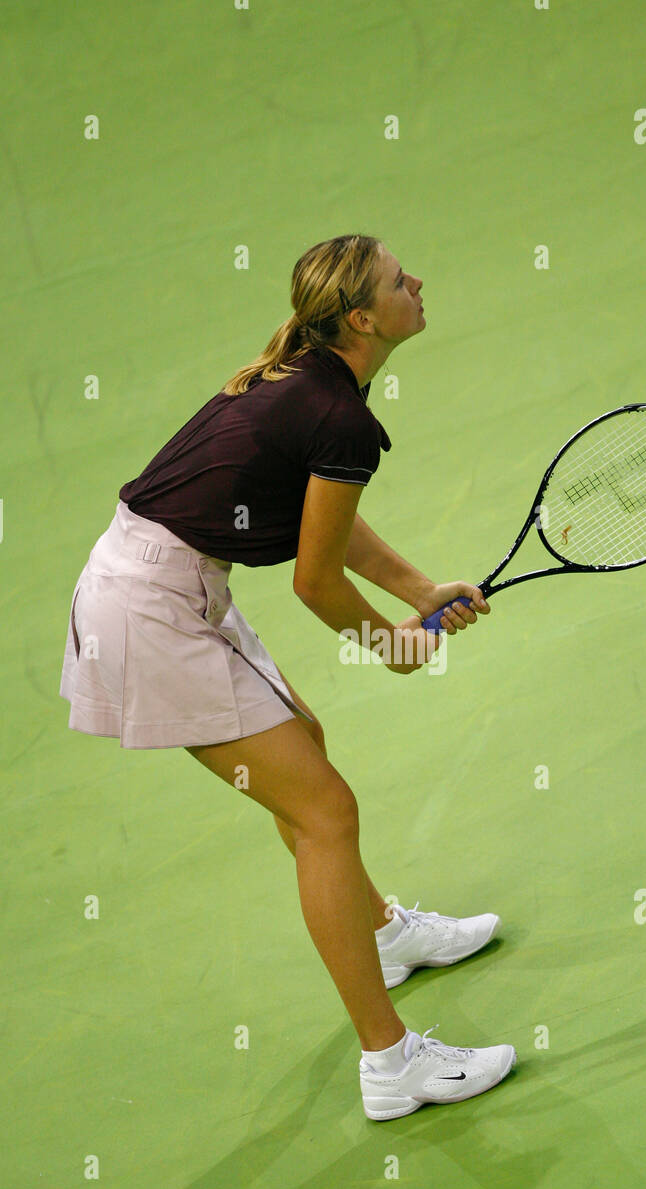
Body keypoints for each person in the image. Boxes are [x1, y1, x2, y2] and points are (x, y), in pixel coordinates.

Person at [59, 233, 517, 1120]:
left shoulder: (315, 383)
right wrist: (390, 643)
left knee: (302, 748)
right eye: (397, 280)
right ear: (361, 317)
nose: (416, 282)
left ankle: (380, 934)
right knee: (326, 811)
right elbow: (314, 580)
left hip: (161, 584)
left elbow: (323, 524)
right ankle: (392, 1066)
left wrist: (418, 590)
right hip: (151, 612)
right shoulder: (337, 412)